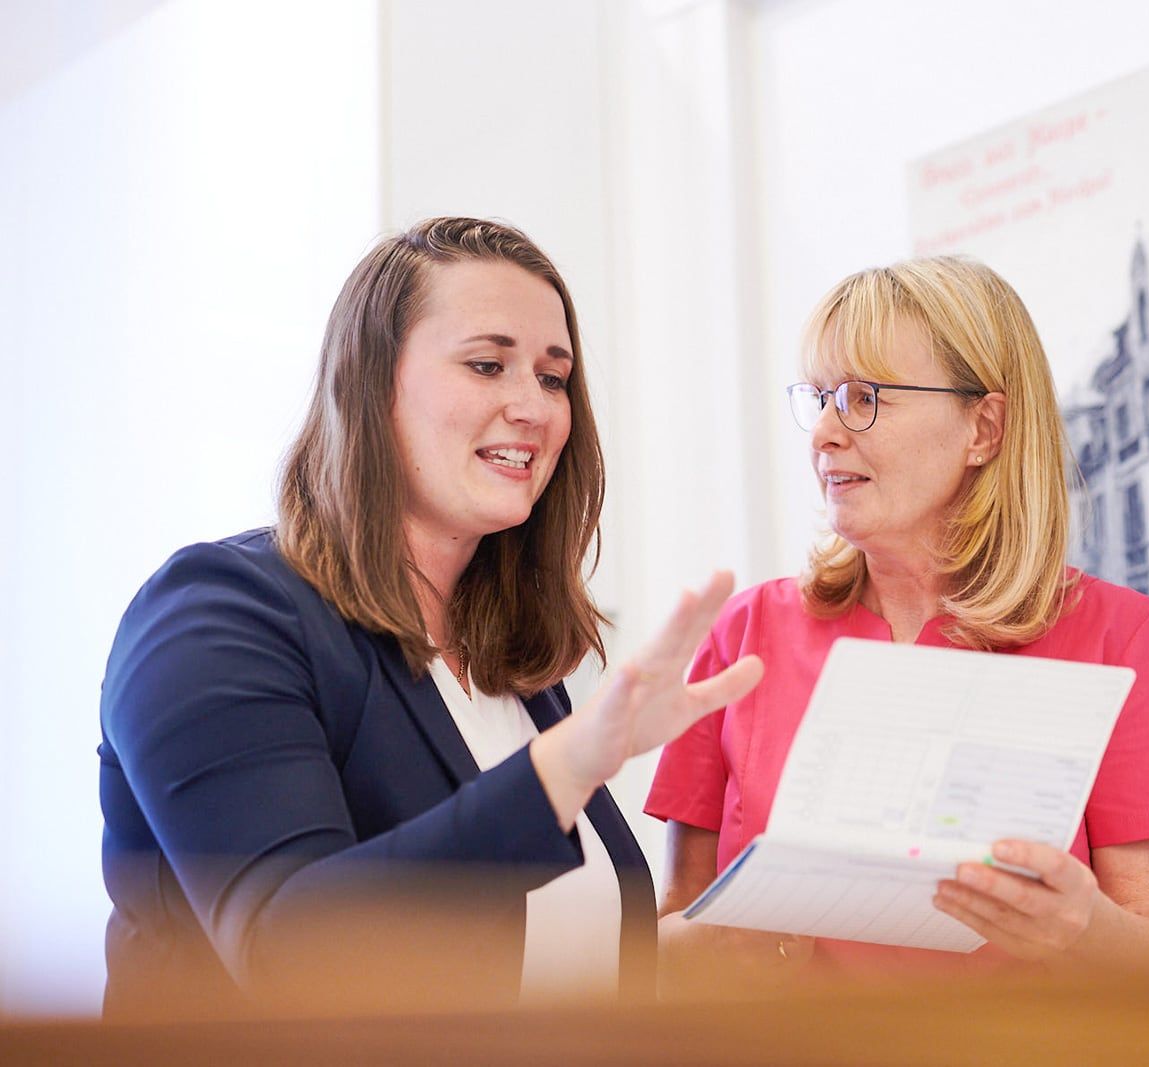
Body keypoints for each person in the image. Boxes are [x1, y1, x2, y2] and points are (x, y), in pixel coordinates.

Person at [98, 217, 762, 1017]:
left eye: (554, 378)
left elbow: (531, 957)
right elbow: (295, 956)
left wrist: (724, 940)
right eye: (488, 364)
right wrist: (567, 766)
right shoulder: (213, 617)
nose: (535, 408)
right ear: (371, 383)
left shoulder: (504, 661)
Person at [647, 256, 1149, 989]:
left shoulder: (1120, 634)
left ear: (984, 427)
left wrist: (1080, 926)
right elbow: (662, 943)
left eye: (863, 397)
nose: (823, 431)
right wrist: (732, 937)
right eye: (820, 397)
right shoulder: (744, 632)